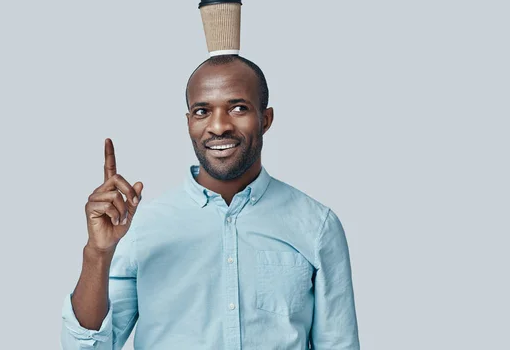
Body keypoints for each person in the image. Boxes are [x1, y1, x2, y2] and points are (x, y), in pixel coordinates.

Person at [60, 55, 360, 349]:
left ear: (265, 119)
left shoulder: (316, 225)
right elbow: (87, 348)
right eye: (202, 111)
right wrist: (97, 253)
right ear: (189, 121)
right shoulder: (141, 227)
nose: (219, 126)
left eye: (238, 108)